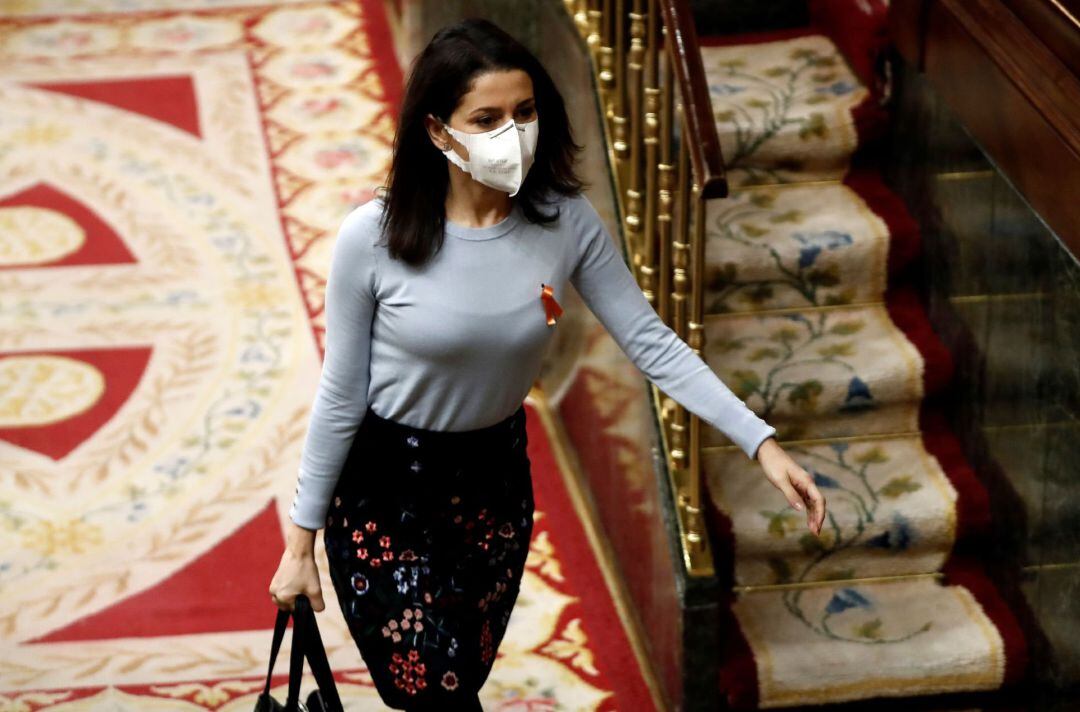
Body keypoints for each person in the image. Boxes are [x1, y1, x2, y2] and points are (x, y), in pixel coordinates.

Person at [268, 16, 826, 711]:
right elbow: (341, 393)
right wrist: (301, 541)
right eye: (488, 117)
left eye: (525, 112)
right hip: (387, 496)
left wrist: (762, 443)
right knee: (435, 691)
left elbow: (651, 343)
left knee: (456, 681)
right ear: (439, 132)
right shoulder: (372, 239)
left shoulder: (565, 223)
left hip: (493, 490)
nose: (513, 132)